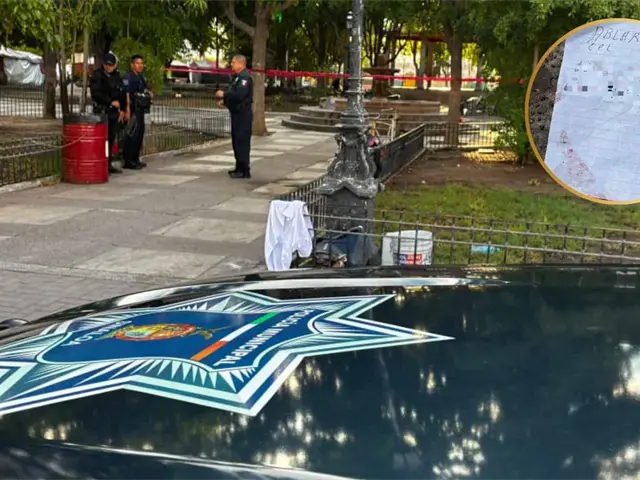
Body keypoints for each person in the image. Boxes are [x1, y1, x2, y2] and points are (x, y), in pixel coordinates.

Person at [216, 54, 253, 179]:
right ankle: (238, 166)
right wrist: (225, 101)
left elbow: (240, 95)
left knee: (242, 141)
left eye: (233, 62)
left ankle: (244, 170)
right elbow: (234, 95)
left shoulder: (245, 78)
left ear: (241, 64)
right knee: (236, 141)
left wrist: (224, 94)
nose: (231, 64)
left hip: (243, 115)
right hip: (236, 114)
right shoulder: (237, 78)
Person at [89, 52, 126, 174]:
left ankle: (108, 163)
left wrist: (122, 109)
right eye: (107, 65)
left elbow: (122, 93)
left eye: (111, 65)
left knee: (111, 138)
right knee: (102, 139)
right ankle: (101, 163)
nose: (109, 67)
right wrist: (110, 102)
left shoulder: (117, 76)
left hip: (114, 112)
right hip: (102, 111)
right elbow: (96, 94)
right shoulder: (98, 75)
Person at [123, 54, 152, 170]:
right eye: (137, 63)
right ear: (132, 65)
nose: (140, 65)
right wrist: (127, 110)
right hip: (132, 109)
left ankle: (135, 159)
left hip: (140, 110)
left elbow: (144, 90)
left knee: (139, 134)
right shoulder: (128, 77)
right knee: (133, 135)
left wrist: (149, 94)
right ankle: (129, 161)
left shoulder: (141, 77)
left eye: (141, 63)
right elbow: (126, 94)